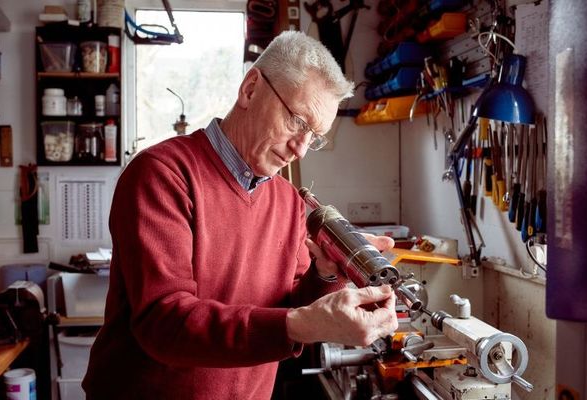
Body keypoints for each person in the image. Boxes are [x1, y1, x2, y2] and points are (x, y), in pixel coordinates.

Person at [83, 30, 398, 399]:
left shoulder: (289, 201)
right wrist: (299, 323)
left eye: (315, 135)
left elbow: (289, 309)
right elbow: (164, 323)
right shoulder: (162, 174)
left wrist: (326, 274)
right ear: (250, 89)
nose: (301, 149)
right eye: (298, 121)